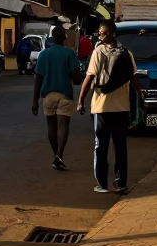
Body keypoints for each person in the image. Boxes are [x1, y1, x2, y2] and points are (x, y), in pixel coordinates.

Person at [78, 20, 143, 195]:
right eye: (99, 33)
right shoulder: (126, 53)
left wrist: (80, 100)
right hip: (122, 108)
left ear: (112, 33)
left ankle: (102, 184)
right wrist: (141, 97)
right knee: (120, 146)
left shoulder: (98, 51)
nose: (100, 36)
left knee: (101, 146)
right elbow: (135, 78)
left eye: (103, 33)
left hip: (101, 108)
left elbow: (89, 77)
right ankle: (120, 182)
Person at [31, 26, 81, 171]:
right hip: (64, 94)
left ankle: (56, 156)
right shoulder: (69, 54)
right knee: (63, 127)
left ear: (52, 38)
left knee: (51, 127)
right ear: (64, 38)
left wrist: (35, 102)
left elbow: (38, 79)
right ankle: (59, 156)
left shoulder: (44, 54)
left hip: (47, 95)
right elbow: (77, 79)